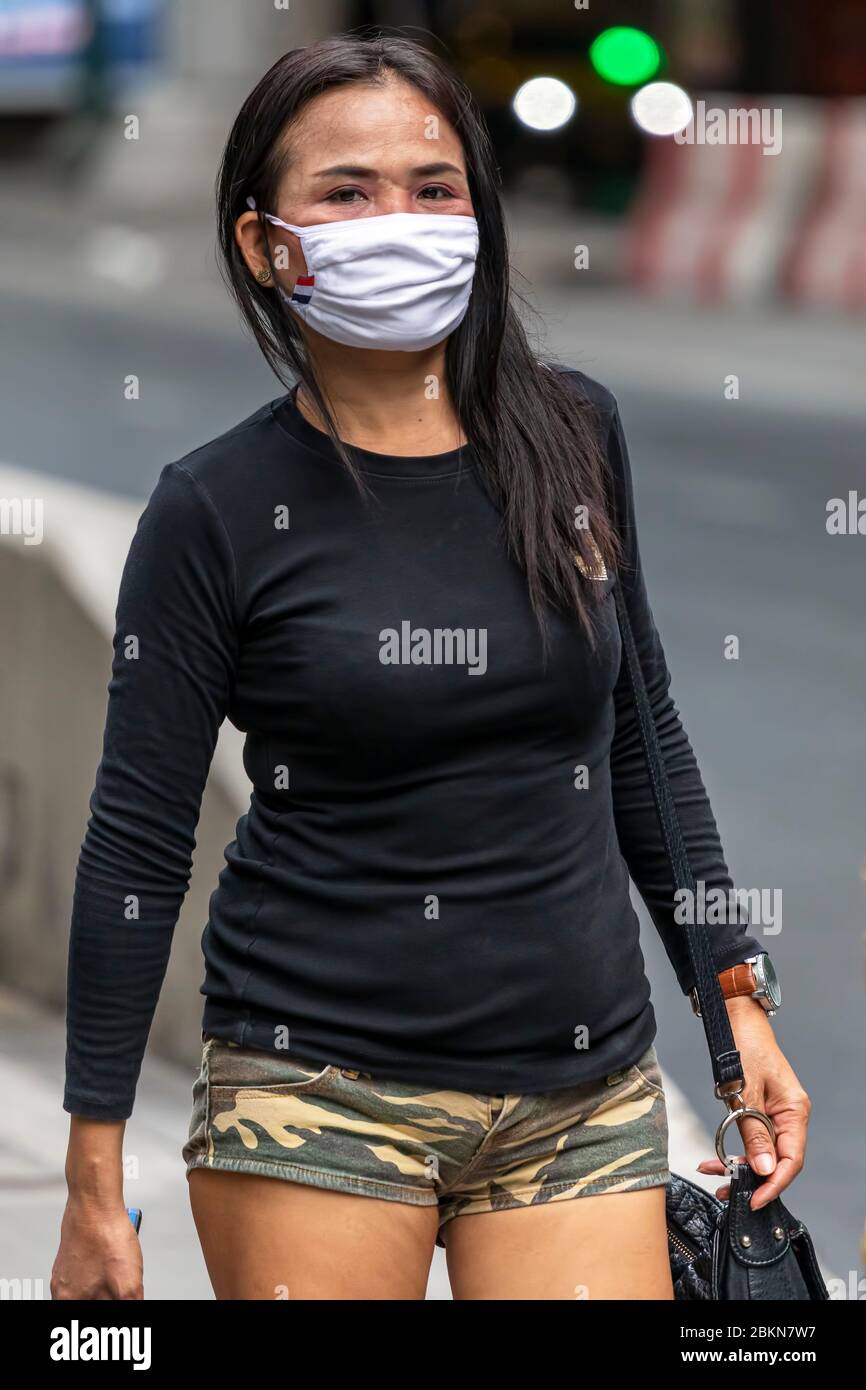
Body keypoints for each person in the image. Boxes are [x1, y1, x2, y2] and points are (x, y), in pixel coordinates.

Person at [52, 32, 810, 1301]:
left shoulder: (572, 434)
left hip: (582, 1091)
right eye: (345, 191)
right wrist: (91, 1182)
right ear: (263, 243)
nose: (397, 219)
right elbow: (136, 845)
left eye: (432, 186)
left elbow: (642, 738)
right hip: (317, 1093)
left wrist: (735, 1003)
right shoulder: (215, 508)